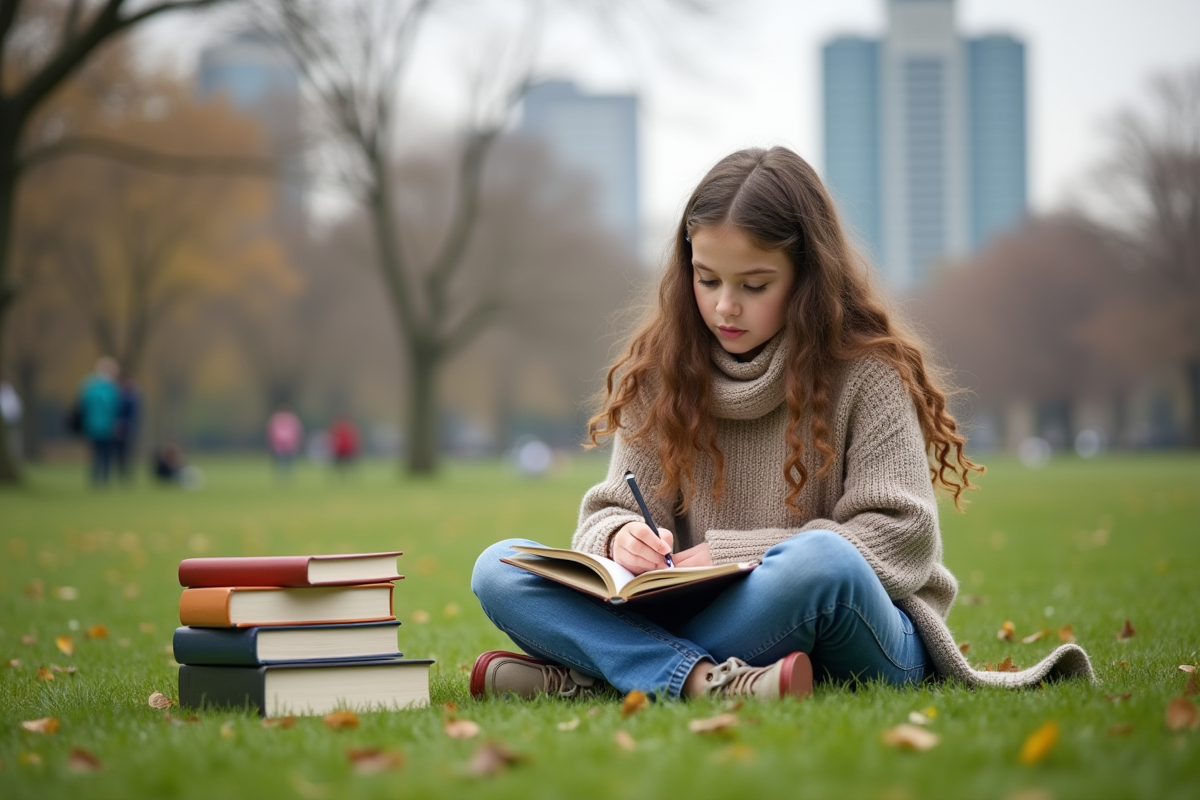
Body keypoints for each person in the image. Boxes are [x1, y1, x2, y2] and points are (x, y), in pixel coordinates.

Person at [469, 147, 1095, 703]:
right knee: (499, 567)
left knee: (819, 563)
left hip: (859, 630)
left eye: (755, 283)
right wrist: (618, 537)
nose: (724, 306)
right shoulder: (662, 375)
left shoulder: (867, 373)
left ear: (805, 276)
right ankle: (699, 680)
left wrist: (735, 554)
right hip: (708, 617)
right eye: (706, 278)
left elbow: (898, 539)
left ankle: (605, 671)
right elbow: (603, 513)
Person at [76, 357, 121, 487]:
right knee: (105, 452)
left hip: (92, 424)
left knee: (95, 452)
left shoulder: (88, 385)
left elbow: (83, 405)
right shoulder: (110, 388)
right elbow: (115, 407)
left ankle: (95, 477)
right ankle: (103, 478)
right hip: (106, 425)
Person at [113, 371, 141, 483]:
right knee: (120, 452)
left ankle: (126, 474)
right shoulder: (120, 394)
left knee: (127, 452)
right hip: (120, 426)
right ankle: (122, 474)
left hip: (129, 427)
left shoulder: (132, 394)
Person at [267, 405, 303, 479]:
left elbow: (271, 432)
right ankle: (287, 476)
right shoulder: (293, 419)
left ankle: (279, 476)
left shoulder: (275, 419)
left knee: (279, 461)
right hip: (290, 443)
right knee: (288, 462)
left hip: (278, 443)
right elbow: (297, 432)